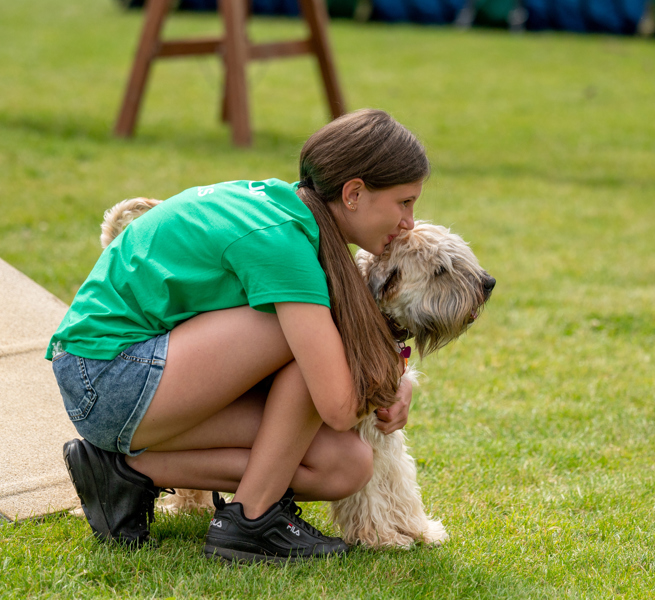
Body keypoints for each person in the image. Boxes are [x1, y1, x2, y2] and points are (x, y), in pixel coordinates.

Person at [48, 109, 428, 563]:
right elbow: (340, 406)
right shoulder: (281, 241)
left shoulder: (291, 215)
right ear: (353, 194)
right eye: (404, 202)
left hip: (138, 379)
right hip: (107, 376)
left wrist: (393, 382)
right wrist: (383, 385)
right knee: (307, 338)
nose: (409, 221)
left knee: (346, 465)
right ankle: (250, 520)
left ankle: (122, 471)